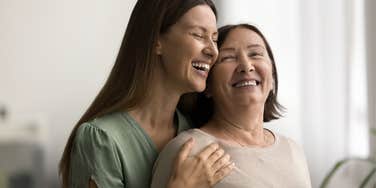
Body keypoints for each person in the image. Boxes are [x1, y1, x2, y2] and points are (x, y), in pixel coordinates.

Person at [59, 0, 235, 187]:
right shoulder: (101, 140)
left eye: (214, 39)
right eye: (199, 35)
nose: (212, 51)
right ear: (156, 41)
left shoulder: (196, 131)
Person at [151, 24, 312, 188]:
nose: (246, 66)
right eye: (228, 58)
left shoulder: (293, 151)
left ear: (272, 77)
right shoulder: (189, 150)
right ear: (208, 84)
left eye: (255, 54)